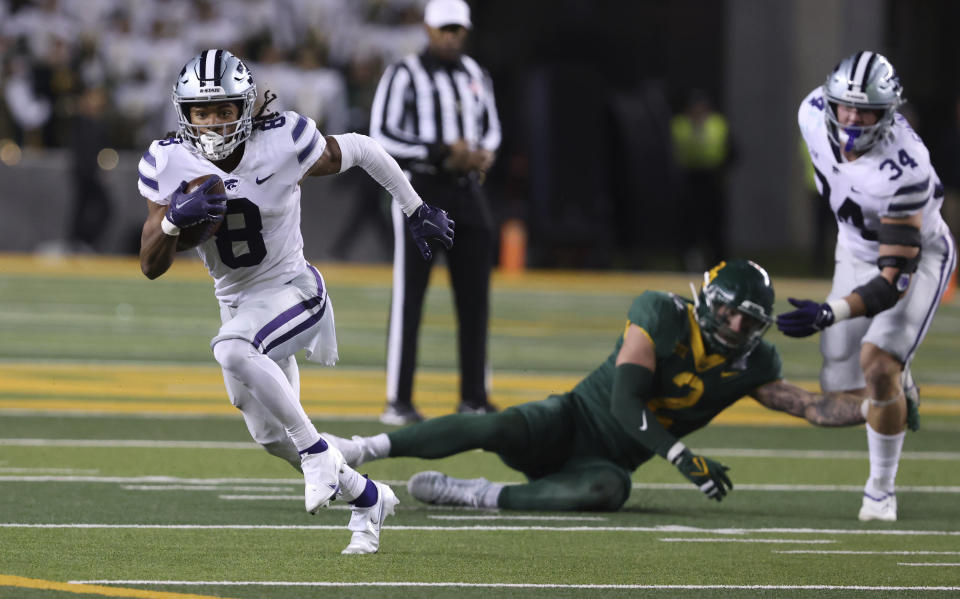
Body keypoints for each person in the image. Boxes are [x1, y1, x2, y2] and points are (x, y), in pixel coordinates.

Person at [136, 49, 455, 553]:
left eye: (224, 111)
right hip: (238, 303)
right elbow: (150, 264)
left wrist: (414, 207)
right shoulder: (170, 160)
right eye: (203, 113)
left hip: (296, 291)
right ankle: (368, 496)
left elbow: (361, 148)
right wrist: (174, 219)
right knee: (269, 436)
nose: (214, 124)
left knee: (233, 350)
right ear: (185, 114)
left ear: (245, 108)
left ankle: (317, 456)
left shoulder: (282, 139)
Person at [323, 260, 867, 512]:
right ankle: (365, 447)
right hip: (571, 421)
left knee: (611, 491)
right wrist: (679, 454)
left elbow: (814, 408)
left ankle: (474, 494)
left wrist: (881, 404)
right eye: (732, 315)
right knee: (502, 423)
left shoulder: (755, 362)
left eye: (751, 322)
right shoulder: (660, 311)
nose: (739, 329)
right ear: (709, 302)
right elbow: (623, 400)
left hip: (607, 461)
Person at [778, 51, 957, 522]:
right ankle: (900, 388)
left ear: (889, 113)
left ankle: (880, 491)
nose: (853, 118)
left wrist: (829, 311)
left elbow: (891, 283)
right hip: (854, 245)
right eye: (846, 106)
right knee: (839, 383)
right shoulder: (812, 112)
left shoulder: (906, 169)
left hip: (916, 257)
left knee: (876, 365)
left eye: (867, 110)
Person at [369, 0, 502, 425]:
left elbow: (493, 127)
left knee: (476, 299)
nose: (451, 37)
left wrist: (482, 155)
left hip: (468, 191)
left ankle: (475, 397)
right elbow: (381, 135)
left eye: (457, 30)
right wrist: (442, 152)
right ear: (427, 29)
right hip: (419, 190)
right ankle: (399, 400)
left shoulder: (476, 73)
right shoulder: (404, 72)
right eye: (444, 29)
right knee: (410, 298)